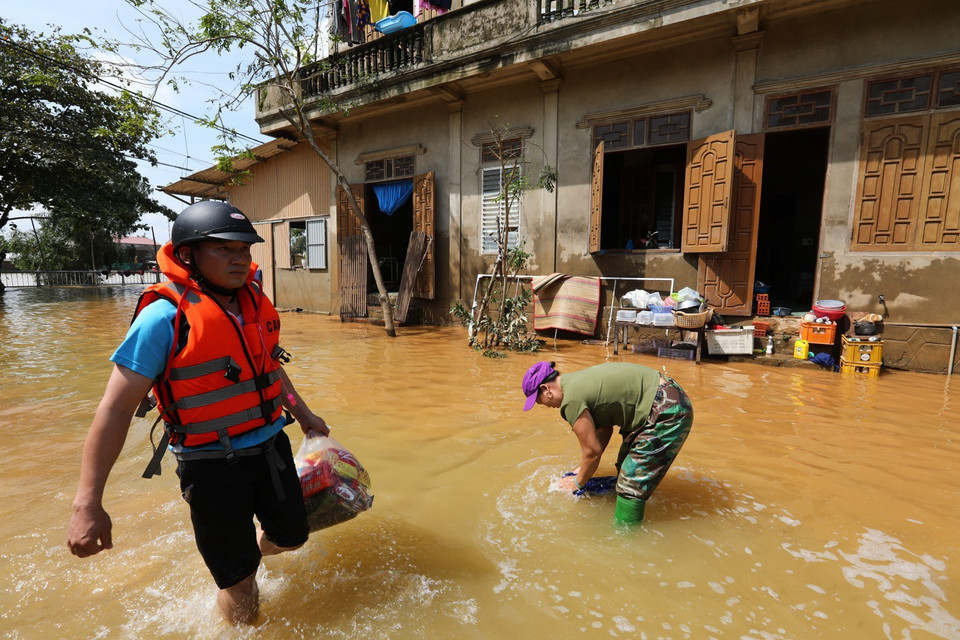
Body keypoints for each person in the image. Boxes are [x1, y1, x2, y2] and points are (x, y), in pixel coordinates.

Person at [66, 201, 328, 625]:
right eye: (224, 250)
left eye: (243, 250)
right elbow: (113, 411)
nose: (239, 260)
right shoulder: (162, 317)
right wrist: (87, 503)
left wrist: (303, 414)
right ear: (189, 255)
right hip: (211, 464)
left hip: (270, 444)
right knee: (242, 589)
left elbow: (266, 367)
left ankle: (241, 557)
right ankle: (236, 581)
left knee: (293, 537)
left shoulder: (253, 303)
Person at [521, 361, 693, 524]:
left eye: (539, 401)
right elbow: (604, 430)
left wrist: (578, 482)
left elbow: (592, 451)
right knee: (625, 465)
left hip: (668, 411)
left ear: (546, 389)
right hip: (666, 395)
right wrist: (584, 469)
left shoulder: (570, 400)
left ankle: (625, 540)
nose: (545, 406)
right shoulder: (575, 382)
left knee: (631, 482)